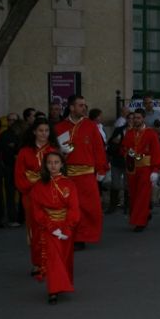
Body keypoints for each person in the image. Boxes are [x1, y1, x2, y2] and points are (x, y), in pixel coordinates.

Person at [55, 95, 109, 250]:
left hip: (86, 175)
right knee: (70, 207)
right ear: (71, 107)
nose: (84, 108)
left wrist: (101, 168)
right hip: (66, 175)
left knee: (89, 207)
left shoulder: (91, 126)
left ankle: (83, 236)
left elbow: (99, 149)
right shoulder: (59, 127)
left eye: (85, 105)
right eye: (80, 105)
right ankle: (71, 235)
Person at [30, 152, 80, 305]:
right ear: (45, 165)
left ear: (62, 164)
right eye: (50, 162)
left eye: (56, 162)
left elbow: (74, 208)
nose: (53, 165)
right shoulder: (39, 186)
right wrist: (51, 227)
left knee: (65, 257)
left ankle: (62, 283)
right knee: (53, 258)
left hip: (65, 226)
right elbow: (37, 210)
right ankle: (53, 291)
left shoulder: (69, 184)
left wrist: (67, 228)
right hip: (48, 227)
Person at [15, 118, 58, 275]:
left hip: (51, 196)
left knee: (52, 228)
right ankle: (38, 263)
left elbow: (59, 173)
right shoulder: (24, 152)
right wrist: (34, 185)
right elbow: (19, 176)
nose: (44, 134)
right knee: (35, 229)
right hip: (31, 196)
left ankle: (53, 261)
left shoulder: (53, 150)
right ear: (34, 132)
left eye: (46, 131)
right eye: (40, 130)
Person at [121, 109, 160, 232]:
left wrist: (155, 170)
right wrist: (128, 152)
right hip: (132, 168)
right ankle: (142, 215)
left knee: (142, 195)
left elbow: (157, 152)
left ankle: (140, 222)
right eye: (134, 118)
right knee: (134, 195)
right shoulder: (129, 133)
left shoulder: (151, 134)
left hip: (145, 168)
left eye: (138, 118)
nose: (136, 120)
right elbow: (123, 149)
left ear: (143, 118)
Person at [106, 111, 134, 214]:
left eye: (133, 119)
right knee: (115, 184)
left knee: (128, 184)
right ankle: (113, 205)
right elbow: (110, 143)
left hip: (129, 161)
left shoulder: (137, 132)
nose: (131, 121)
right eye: (129, 118)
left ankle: (127, 205)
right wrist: (116, 142)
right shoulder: (119, 130)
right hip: (117, 160)